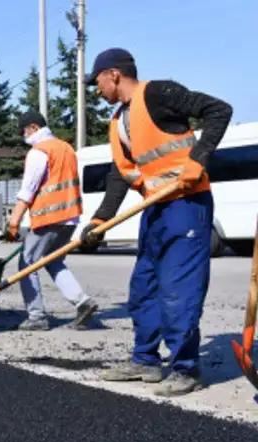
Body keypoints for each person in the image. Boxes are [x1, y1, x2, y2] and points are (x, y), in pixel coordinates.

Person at [81, 48, 233, 396]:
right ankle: (145, 360)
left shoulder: (159, 93)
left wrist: (199, 159)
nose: (97, 88)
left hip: (186, 205)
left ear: (114, 74)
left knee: (178, 291)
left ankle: (186, 368)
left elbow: (219, 110)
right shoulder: (120, 120)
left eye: (98, 81)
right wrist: (100, 219)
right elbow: (121, 175)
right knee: (144, 288)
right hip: (155, 209)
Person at [6, 110, 98, 331]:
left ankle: (36, 317)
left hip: (48, 217)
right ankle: (82, 301)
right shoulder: (66, 148)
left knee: (27, 264)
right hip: (69, 217)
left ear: (34, 128)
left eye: (23, 132)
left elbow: (27, 190)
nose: (23, 136)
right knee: (53, 260)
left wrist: (14, 222)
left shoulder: (40, 152)